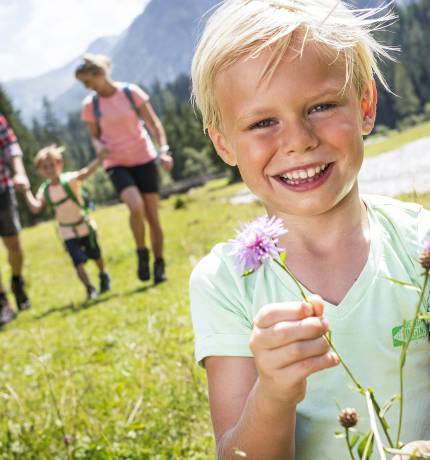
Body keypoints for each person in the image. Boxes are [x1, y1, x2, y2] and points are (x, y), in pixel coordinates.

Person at [189, 1, 430, 459]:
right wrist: (274, 393)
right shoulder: (223, 284)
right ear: (224, 143)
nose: (298, 140)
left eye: (320, 106)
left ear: (364, 105)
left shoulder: (421, 244)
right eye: (263, 122)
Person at [75, 54, 173, 285]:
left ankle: (159, 264)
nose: (86, 87)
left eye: (88, 81)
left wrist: (164, 150)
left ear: (100, 74)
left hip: (144, 158)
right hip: (116, 163)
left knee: (152, 216)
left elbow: (154, 124)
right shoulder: (91, 106)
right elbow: (94, 138)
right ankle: (142, 251)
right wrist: (99, 148)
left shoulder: (131, 93)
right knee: (135, 206)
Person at [23, 144, 111, 300]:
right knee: (77, 261)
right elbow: (36, 207)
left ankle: (103, 274)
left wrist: (99, 160)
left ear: (59, 165)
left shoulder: (69, 179)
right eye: (45, 167)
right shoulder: (45, 190)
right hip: (66, 230)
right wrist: (26, 191)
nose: (49, 170)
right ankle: (89, 288)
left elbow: (85, 173)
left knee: (95, 254)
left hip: (83, 225)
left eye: (52, 165)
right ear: (40, 170)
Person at [0, 113, 31, 325]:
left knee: (14, 246)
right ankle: (2, 302)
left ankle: (17, 281)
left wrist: (19, 173)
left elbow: (11, 145)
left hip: (2, 188)